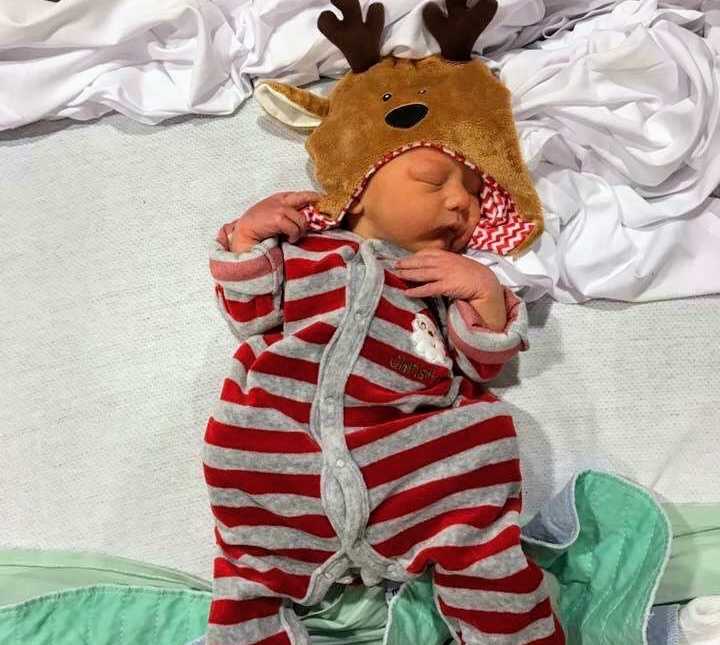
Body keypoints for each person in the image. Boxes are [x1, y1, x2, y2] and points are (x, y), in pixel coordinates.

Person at [202, 144, 565, 644]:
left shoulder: (441, 279)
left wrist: (483, 293)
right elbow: (250, 315)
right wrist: (246, 237)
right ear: (358, 192)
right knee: (248, 574)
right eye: (435, 181)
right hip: (284, 458)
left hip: (410, 468)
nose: (462, 202)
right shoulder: (304, 252)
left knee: (480, 447)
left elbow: (481, 359)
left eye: (476, 195)